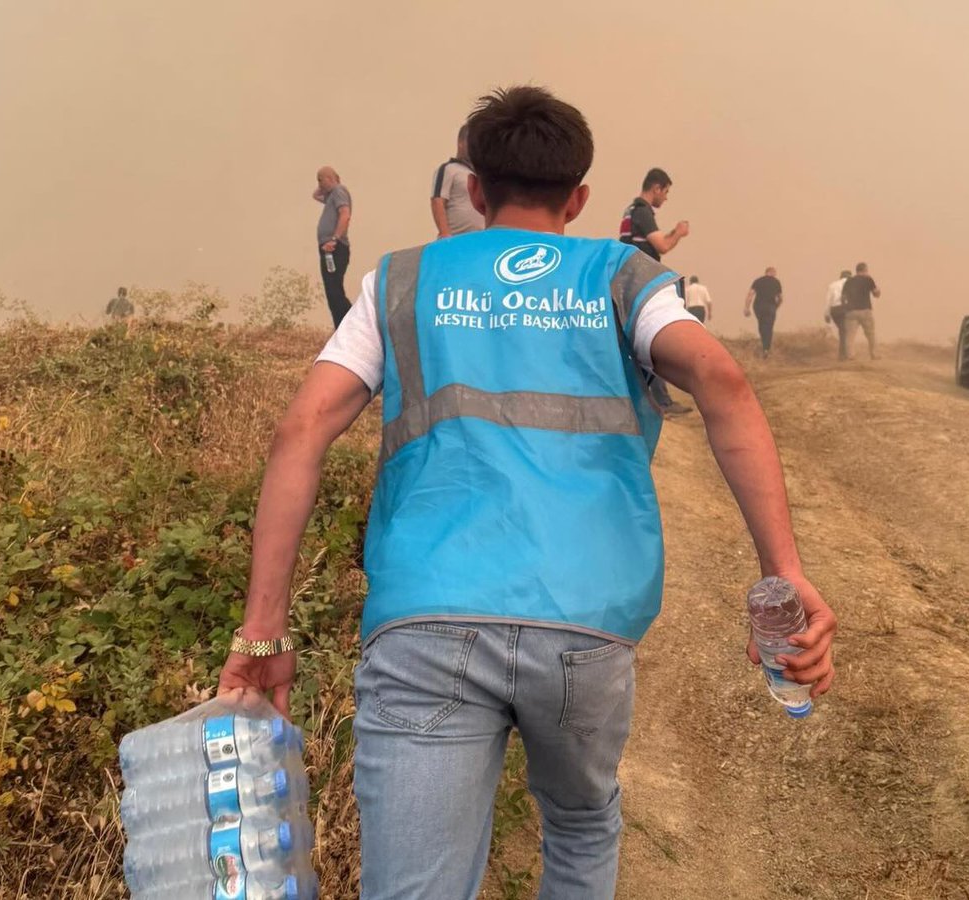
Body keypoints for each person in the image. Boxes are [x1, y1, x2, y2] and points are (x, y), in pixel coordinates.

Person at [217, 85, 836, 900]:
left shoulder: (400, 281)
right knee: (579, 825)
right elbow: (720, 378)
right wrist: (782, 569)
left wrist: (263, 634)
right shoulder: (626, 277)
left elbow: (301, 431)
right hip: (586, 625)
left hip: (424, 620)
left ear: (474, 189)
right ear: (579, 199)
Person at [620, 168, 692, 413]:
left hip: (628, 281)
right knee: (651, 340)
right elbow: (662, 245)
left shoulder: (630, 211)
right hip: (641, 283)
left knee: (637, 342)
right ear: (656, 188)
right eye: (666, 192)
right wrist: (678, 233)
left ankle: (654, 399)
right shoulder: (642, 212)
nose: (666, 197)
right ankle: (662, 401)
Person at [312, 166, 352, 328]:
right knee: (331, 291)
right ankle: (341, 328)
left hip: (334, 247)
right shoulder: (331, 196)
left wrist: (334, 239)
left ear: (329, 179)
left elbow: (345, 214)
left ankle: (351, 324)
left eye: (320, 180)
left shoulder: (339, 191)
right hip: (328, 248)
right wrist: (323, 183)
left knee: (335, 291)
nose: (319, 184)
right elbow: (316, 195)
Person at [431, 124, 486, 239]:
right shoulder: (448, 169)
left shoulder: (480, 174)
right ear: (460, 143)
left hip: (479, 239)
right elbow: (438, 201)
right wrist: (444, 233)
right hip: (456, 239)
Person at [841, 262, 881, 360]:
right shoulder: (868, 279)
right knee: (870, 334)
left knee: (850, 336)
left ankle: (850, 356)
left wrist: (847, 307)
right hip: (865, 310)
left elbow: (843, 298)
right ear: (865, 270)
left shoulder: (848, 281)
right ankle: (874, 355)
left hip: (851, 312)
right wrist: (878, 291)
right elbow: (876, 294)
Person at [743, 267, 782, 358]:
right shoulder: (776, 282)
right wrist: (776, 307)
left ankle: (763, 345)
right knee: (769, 327)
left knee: (761, 326)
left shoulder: (758, 281)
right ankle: (766, 349)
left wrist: (747, 308)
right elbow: (780, 298)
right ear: (772, 272)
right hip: (771, 307)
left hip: (758, 307)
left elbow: (750, 294)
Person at [824, 269, 852, 361]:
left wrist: (826, 314)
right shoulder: (850, 284)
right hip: (845, 308)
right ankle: (843, 355)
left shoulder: (832, 285)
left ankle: (843, 354)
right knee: (844, 331)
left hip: (834, 310)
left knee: (842, 331)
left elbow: (828, 300)